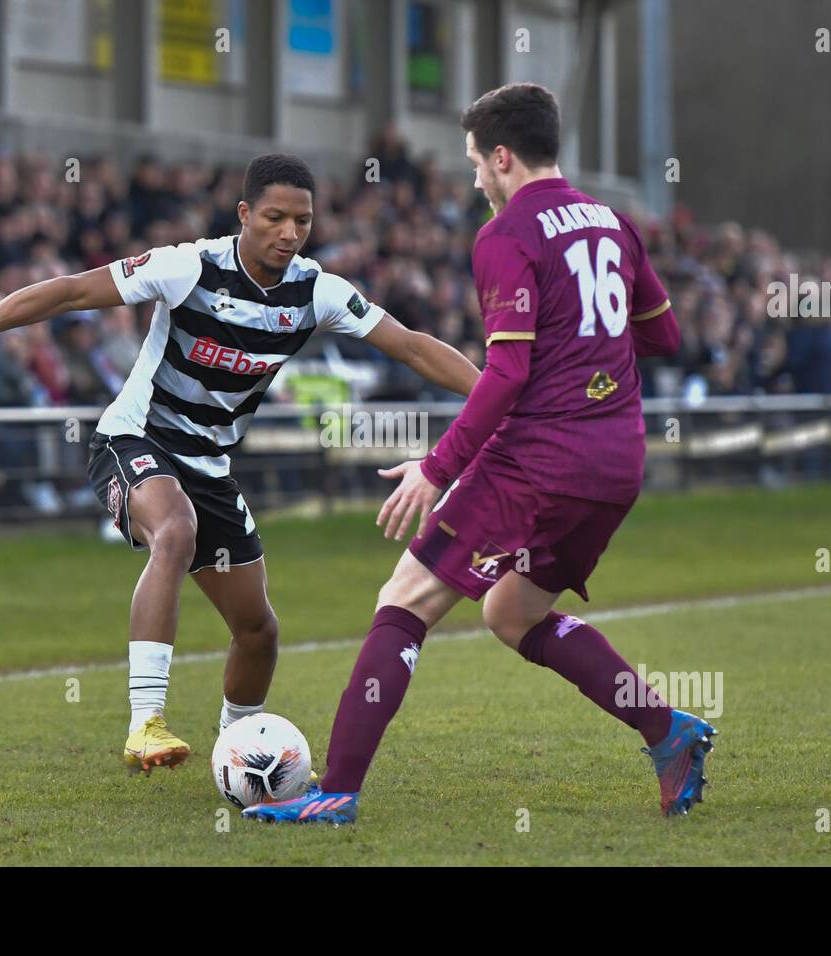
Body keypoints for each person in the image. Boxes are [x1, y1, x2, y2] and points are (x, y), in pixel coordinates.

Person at [0, 154, 480, 775]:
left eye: (303, 222)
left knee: (258, 631)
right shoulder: (189, 266)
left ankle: (236, 752)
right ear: (244, 215)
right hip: (133, 441)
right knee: (174, 532)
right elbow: (71, 291)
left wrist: (499, 396)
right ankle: (144, 724)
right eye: (275, 218)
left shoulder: (316, 292)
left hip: (209, 468)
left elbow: (415, 349)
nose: (289, 233)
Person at [243, 84, 715, 826]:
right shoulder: (614, 222)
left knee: (404, 602)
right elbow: (665, 338)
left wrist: (436, 469)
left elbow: (507, 375)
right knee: (511, 613)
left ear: (502, 156)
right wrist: (588, 353)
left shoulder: (506, 235)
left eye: (474, 163)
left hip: (541, 458)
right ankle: (668, 732)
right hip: (618, 460)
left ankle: (335, 790)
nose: (472, 180)